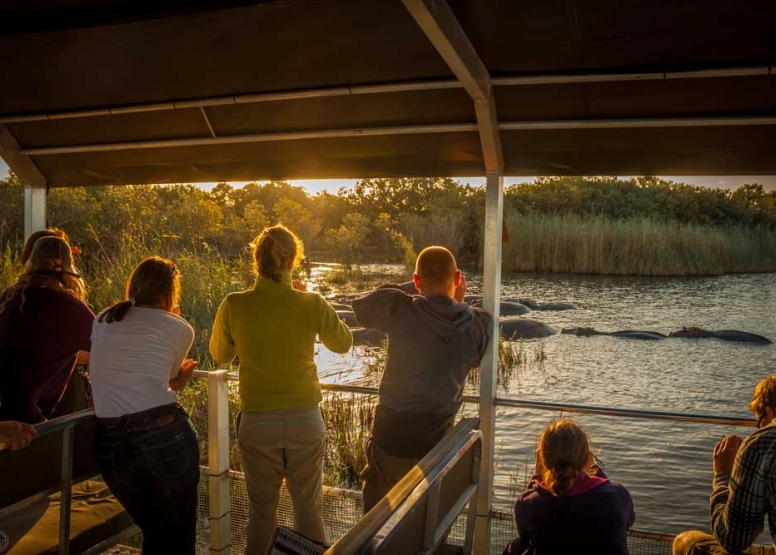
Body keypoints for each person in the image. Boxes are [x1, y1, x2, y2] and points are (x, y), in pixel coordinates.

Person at [210, 225, 352, 554]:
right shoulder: (311, 302)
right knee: (308, 512)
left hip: (258, 423)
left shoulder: (235, 303)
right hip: (305, 420)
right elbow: (343, 343)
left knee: (261, 513)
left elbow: (220, 355)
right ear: (292, 263)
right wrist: (310, 300)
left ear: (256, 262)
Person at [351, 245, 492, 513]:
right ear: (458, 278)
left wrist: (411, 291)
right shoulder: (478, 324)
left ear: (416, 281)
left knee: (376, 523)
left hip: (389, 446)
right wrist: (458, 304)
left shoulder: (400, 309)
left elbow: (361, 308)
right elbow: (475, 358)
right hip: (437, 452)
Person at [89, 256, 200, 555]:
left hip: (109, 440)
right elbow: (171, 381)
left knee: (154, 532)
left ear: (134, 286)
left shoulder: (102, 319)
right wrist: (184, 376)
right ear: (170, 290)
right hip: (162, 434)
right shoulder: (180, 328)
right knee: (177, 535)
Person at [673, 373, 776, 555]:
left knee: (686, 541)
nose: (759, 428)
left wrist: (722, 475)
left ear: (770, 412)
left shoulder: (763, 444)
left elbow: (733, 539)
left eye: (760, 422)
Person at [507, 419, 635, 555]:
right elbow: (628, 520)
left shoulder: (528, 504)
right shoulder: (617, 496)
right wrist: (594, 470)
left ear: (543, 459)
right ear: (587, 457)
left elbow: (525, 535)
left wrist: (537, 475)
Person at [0, 236, 93, 423]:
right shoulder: (70, 307)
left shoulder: (9, 297)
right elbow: (105, 346)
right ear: (69, 267)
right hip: (29, 415)